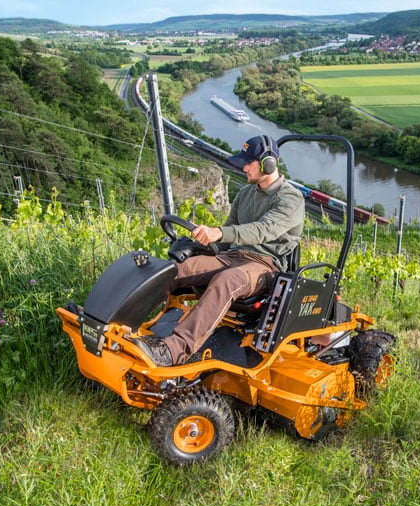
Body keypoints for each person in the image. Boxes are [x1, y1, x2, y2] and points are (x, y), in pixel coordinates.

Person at [131, 134, 305, 366]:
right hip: (231, 257)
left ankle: (172, 350)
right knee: (174, 270)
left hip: (264, 266)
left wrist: (220, 232)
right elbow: (224, 241)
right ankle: (119, 323)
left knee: (227, 280)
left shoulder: (291, 199)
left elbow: (263, 230)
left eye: (248, 163)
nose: (243, 167)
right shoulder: (245, 194)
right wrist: (198, 244)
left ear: (268, 163)